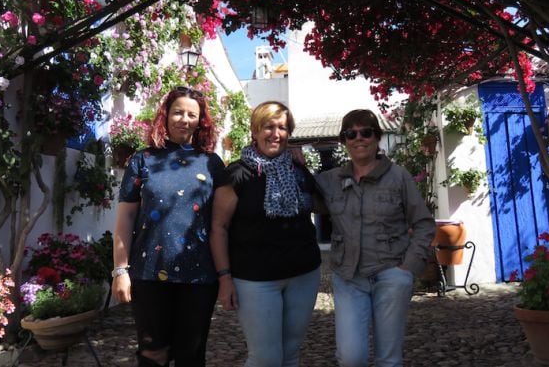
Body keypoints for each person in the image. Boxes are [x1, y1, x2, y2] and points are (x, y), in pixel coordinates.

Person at [112, 86, 226, 367]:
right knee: (152, 353)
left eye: (191, 114)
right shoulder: (143, 159)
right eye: (178, 112)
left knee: (191, 355)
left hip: (199, 275)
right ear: (166, 115)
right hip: (149, 272)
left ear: (201, 121)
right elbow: (125, 218)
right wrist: (119, 270)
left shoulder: (212, 163)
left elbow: (222, 221)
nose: (183, 119)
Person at [315, 109, 436, 367]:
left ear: (377, 136)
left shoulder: (398, 176)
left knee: (389, 359)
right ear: (344, 141)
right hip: (349, 277)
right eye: (351, 134)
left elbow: (424, 223)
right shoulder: (330, 180)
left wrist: (408, 268)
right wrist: (296, 163)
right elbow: (301, 194)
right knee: (351, 357)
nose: (359, 138)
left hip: (391, 273)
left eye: (366, 132)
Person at [210, 101, 321, 367]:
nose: (276, 133)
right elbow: (218, 228)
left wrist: (307, 171)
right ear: (255, 131)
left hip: (303, 274)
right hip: (256, 279)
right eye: (268, 127)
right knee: (265, 358)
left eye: (282, 127)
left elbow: (321, 206)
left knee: (291, 354)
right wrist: (224, 278)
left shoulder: (297, 170)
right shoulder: (237, 174)